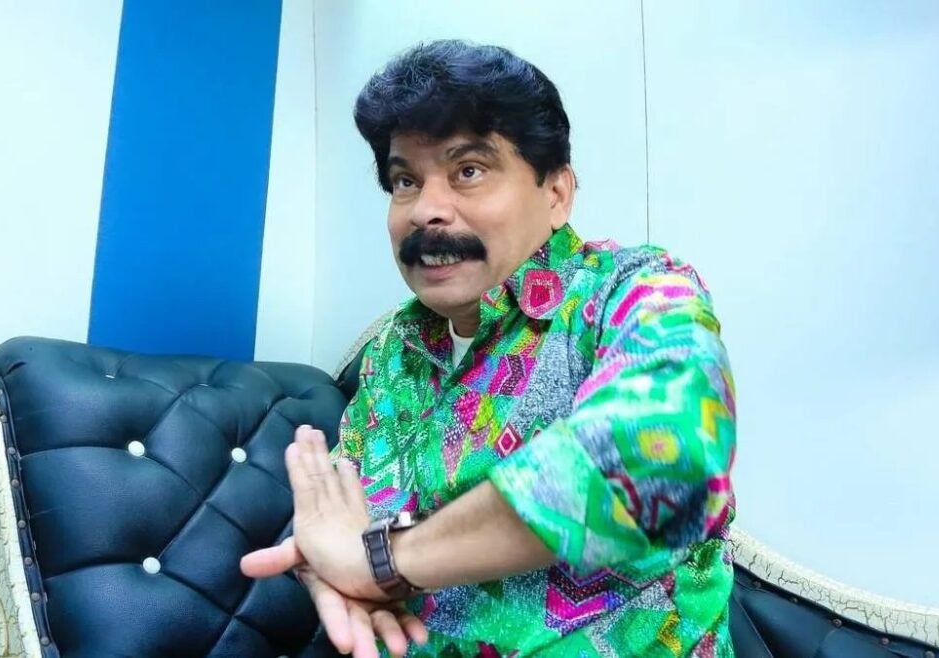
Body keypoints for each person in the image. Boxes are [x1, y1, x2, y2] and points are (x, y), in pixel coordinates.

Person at [242, 39, 737, 657]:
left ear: (556, 193)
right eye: (405, 180)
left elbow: (665, 456)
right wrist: (327, 566)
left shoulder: (635, 290)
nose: (426, 210)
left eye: (468, 171)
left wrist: (384, 563)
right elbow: (342, 525)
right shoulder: (395, 351)